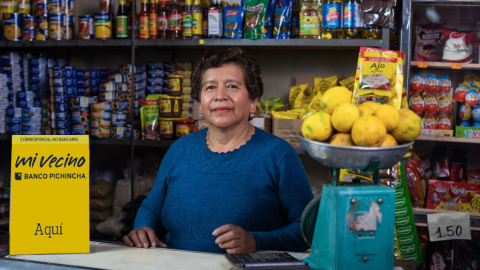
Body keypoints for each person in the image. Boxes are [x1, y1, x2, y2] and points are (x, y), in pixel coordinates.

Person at [124, 48, 313, 254]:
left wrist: (256, 242)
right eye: (210, 87)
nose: (220, 96)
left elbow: (306, 230)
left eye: (232, 86)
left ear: (253, 101)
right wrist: (143, 229)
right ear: (199, 105)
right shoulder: (180, 149)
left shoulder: (279, 155)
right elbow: (152, 208)